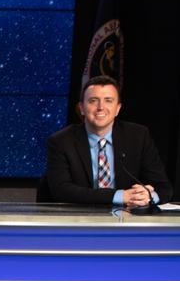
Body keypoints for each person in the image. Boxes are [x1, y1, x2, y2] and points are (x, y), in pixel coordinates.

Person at [44, 75, 172, 207]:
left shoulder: (138, 136)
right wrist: (119, 196)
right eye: (93, 101)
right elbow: (61, 190)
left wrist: (148, 196)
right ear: (81, 108)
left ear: (118, 108)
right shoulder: (61, 141)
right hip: (80, 216)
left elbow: (164, 187)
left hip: (128, 217)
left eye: (108, 100)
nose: (101, 107)